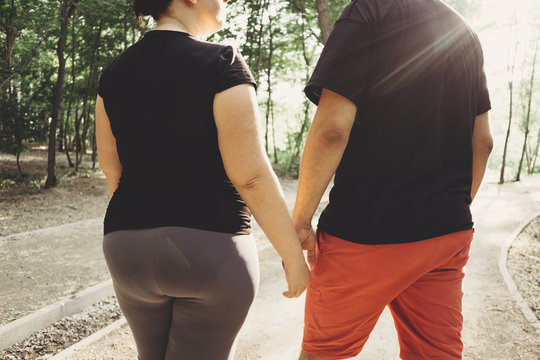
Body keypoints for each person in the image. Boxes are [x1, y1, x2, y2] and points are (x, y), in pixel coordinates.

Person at [95, 0, 310, 359]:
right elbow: (250, 175)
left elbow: (111, 168)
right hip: (211, 252)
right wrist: (291, 255)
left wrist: (140, 229)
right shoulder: (222, 62)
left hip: (126, 248)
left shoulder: (113, 72)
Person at [292, 0, 493, 359]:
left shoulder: (368, 12)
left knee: (324, 353)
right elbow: (483, 141)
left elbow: (333, 129)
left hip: (364, 234)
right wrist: (449, 209)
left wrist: (301, 220)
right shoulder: (465, 33)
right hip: (446, 236)